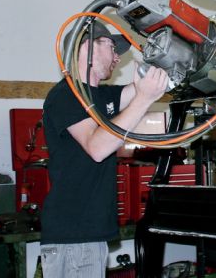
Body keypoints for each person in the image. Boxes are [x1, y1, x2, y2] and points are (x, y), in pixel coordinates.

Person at [41, 21, 168, 278]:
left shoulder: (102, 96)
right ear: (88, 47)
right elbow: (97, 147)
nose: (117, 57)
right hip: (73, 238)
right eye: (111, 47)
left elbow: (145, 90)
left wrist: (169, 68)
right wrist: (144, 98)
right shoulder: (67, 95)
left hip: (89, 237)